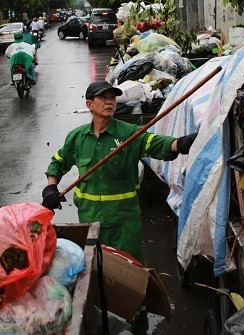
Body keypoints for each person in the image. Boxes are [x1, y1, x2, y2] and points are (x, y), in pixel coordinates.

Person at [42, 80, 196, 334]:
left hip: (125, 225)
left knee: (134, 280)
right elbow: (58, 163)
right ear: (89, 105)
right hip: (91, 226)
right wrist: (51, 187)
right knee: (94, 280)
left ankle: (139, 328)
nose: (110, 101)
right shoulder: (77, 138)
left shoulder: (127, 133)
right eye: (102, 98)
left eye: (112, 97)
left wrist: (180, 143)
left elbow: (154, 144)